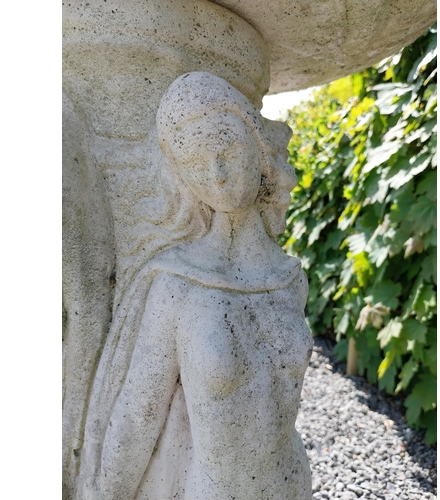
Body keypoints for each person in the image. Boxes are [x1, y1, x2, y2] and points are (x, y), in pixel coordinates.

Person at [77, 72, 313, 500]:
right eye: (196, 165)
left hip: (293, 485)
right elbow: (137, 417)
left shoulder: (290, 278)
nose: (217, 175)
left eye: (226, 151)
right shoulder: (176, 285)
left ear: (257, 146)